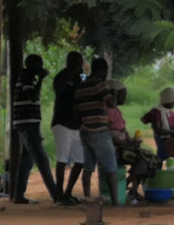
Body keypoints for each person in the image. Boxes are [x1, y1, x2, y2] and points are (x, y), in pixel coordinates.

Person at [9, 54, 70, 206]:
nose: (41, 69)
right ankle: (57, 196)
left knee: (26, 161)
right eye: (39, 66)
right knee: (42, 161)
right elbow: (34, 96)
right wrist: (41, 80)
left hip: (25, 124)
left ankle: (19, 195)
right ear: (32, 66)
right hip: (28, 125)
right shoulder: (27, 78)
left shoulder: (27, 78)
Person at [76, 58, 125, 205]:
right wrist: (114, 94)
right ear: (103, 70)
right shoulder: (99, 84)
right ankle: (115, 202)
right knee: (111, 167)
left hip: (85, 130)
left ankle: (88, 197)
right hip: (100, 130)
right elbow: (111, 103)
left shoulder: (80, 87)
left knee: (88, 167)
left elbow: (76, 109)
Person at [53, 51, 89, 200]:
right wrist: (70, 75)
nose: (80, 66)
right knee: (62, 159)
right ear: (70, 63)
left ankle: (67, 192)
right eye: (77, 63)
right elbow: (59, 91)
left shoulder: (80, 79)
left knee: (80, 161)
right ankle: (59, 195)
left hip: (75, 126)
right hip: (62, 123)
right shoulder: (61, 77)